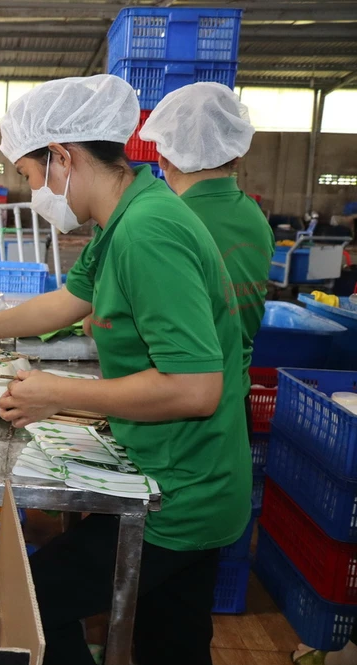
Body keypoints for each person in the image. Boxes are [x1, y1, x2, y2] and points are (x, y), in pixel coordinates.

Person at [0, 74, 251, 665]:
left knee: (34, 599)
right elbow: (66, 302)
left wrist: (61, 393)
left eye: (29, 176)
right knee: (169, 640)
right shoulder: (125, 217)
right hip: (182, 470)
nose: (33, 194)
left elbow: (196, 387)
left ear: (62, 156)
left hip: (180, 488)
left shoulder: (148, 232)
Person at [140, 82, 274, 433]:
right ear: (237, 154)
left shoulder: (166, 222)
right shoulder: (256, 218)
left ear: (163, 158)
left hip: (180, 409)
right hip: (236, 401)